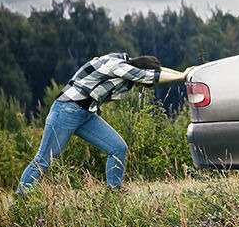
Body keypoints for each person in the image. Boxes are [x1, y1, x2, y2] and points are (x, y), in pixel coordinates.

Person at [16, 53, 188, 194]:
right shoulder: (118, 65)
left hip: (85, 114)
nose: (138, 85)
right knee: (43, 160)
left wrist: (183, 72)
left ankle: (114, 192)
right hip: (66, 111)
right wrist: (182, 76)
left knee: (118, 148)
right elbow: (148, 75)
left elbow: (153, 71)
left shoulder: (124, 65)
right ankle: (21, 199)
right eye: (139, 83)